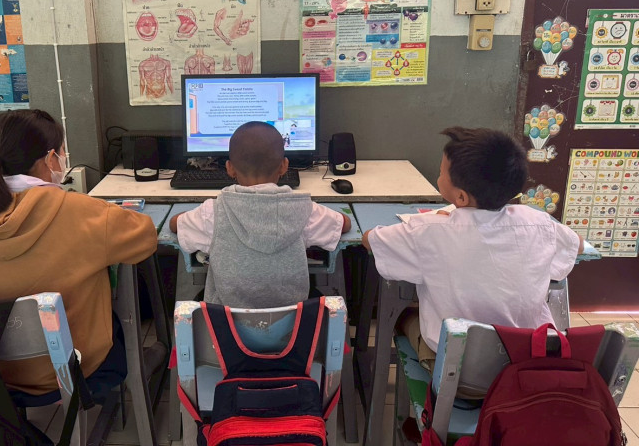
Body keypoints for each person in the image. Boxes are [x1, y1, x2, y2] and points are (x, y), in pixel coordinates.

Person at [0, 109, 158, 396]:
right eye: (62, 151)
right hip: (71, 367)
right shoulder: (86, 213)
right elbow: (146, 237)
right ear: (50, 159)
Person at [362, 126, 583, 375]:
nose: (438, 176)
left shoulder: (428, 231)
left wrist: (439, 221)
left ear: (461, 198)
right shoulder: (538, 223)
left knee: (405, 316)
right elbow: (577, 245)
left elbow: (371, 240)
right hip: (526, 362)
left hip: (458, 372)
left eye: (441, 172)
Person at [169, 121, 350, 308]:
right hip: (291, 320)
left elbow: (175, 224)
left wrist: (190, 214)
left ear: (229, 168)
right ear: (284, 166)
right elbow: (344, 224)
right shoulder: (304, 209)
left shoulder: (213, 212)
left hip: (226, 320)